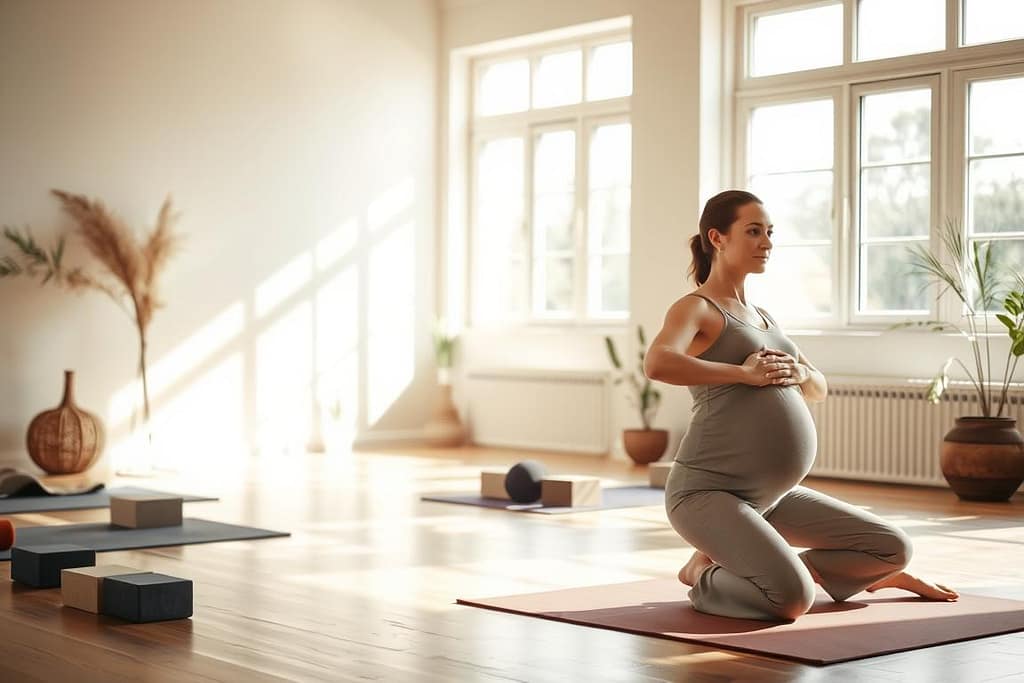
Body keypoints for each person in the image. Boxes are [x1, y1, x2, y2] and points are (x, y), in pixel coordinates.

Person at [644, 189, 959, 621]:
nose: (767, 243)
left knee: (893, 548)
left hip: (772, 497)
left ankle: (829, 573)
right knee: (791, 601)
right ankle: (704, 574)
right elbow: (657, 362)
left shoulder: (766, 316)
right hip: (707, 494)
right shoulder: (697, 308)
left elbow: (819, 388)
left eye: (769, 233)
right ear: (717, 238)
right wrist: (743, 373)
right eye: (753, 231)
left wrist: (802, 373)